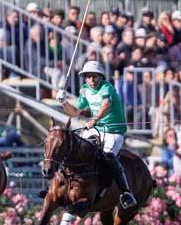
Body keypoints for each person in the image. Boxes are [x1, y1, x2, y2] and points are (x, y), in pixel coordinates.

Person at [56, 60, 137, 209]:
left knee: (107, 155)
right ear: (85, 77)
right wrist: (64, 102)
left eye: (95, 76)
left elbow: (106, 106)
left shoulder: (107, 87)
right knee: (75, 148)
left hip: (114, 131)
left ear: (101, 77)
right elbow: (74, 112)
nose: (92, 80)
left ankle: (125, 192)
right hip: (96, 128)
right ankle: (59, 182)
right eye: (89, 77)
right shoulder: (85, 89)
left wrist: (94, 119)